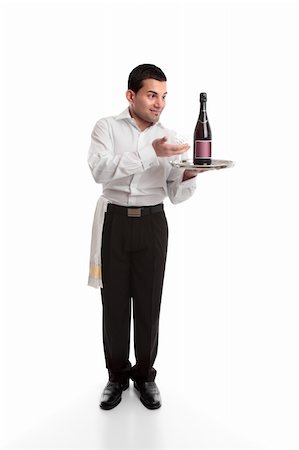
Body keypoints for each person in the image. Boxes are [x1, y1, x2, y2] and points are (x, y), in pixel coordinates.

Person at [87, 63, 199, 410]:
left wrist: (189, 174)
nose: (159, 103)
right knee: (115, 306)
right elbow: (100, 170)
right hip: (114, 223)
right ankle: (116, 377)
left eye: (163, 96)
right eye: (152, 95)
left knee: (149, 305)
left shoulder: (172, 136)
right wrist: (152, 153)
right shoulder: (106, 127)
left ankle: (145, 376)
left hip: (153, 224)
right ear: (131, 95)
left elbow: (176, 195)